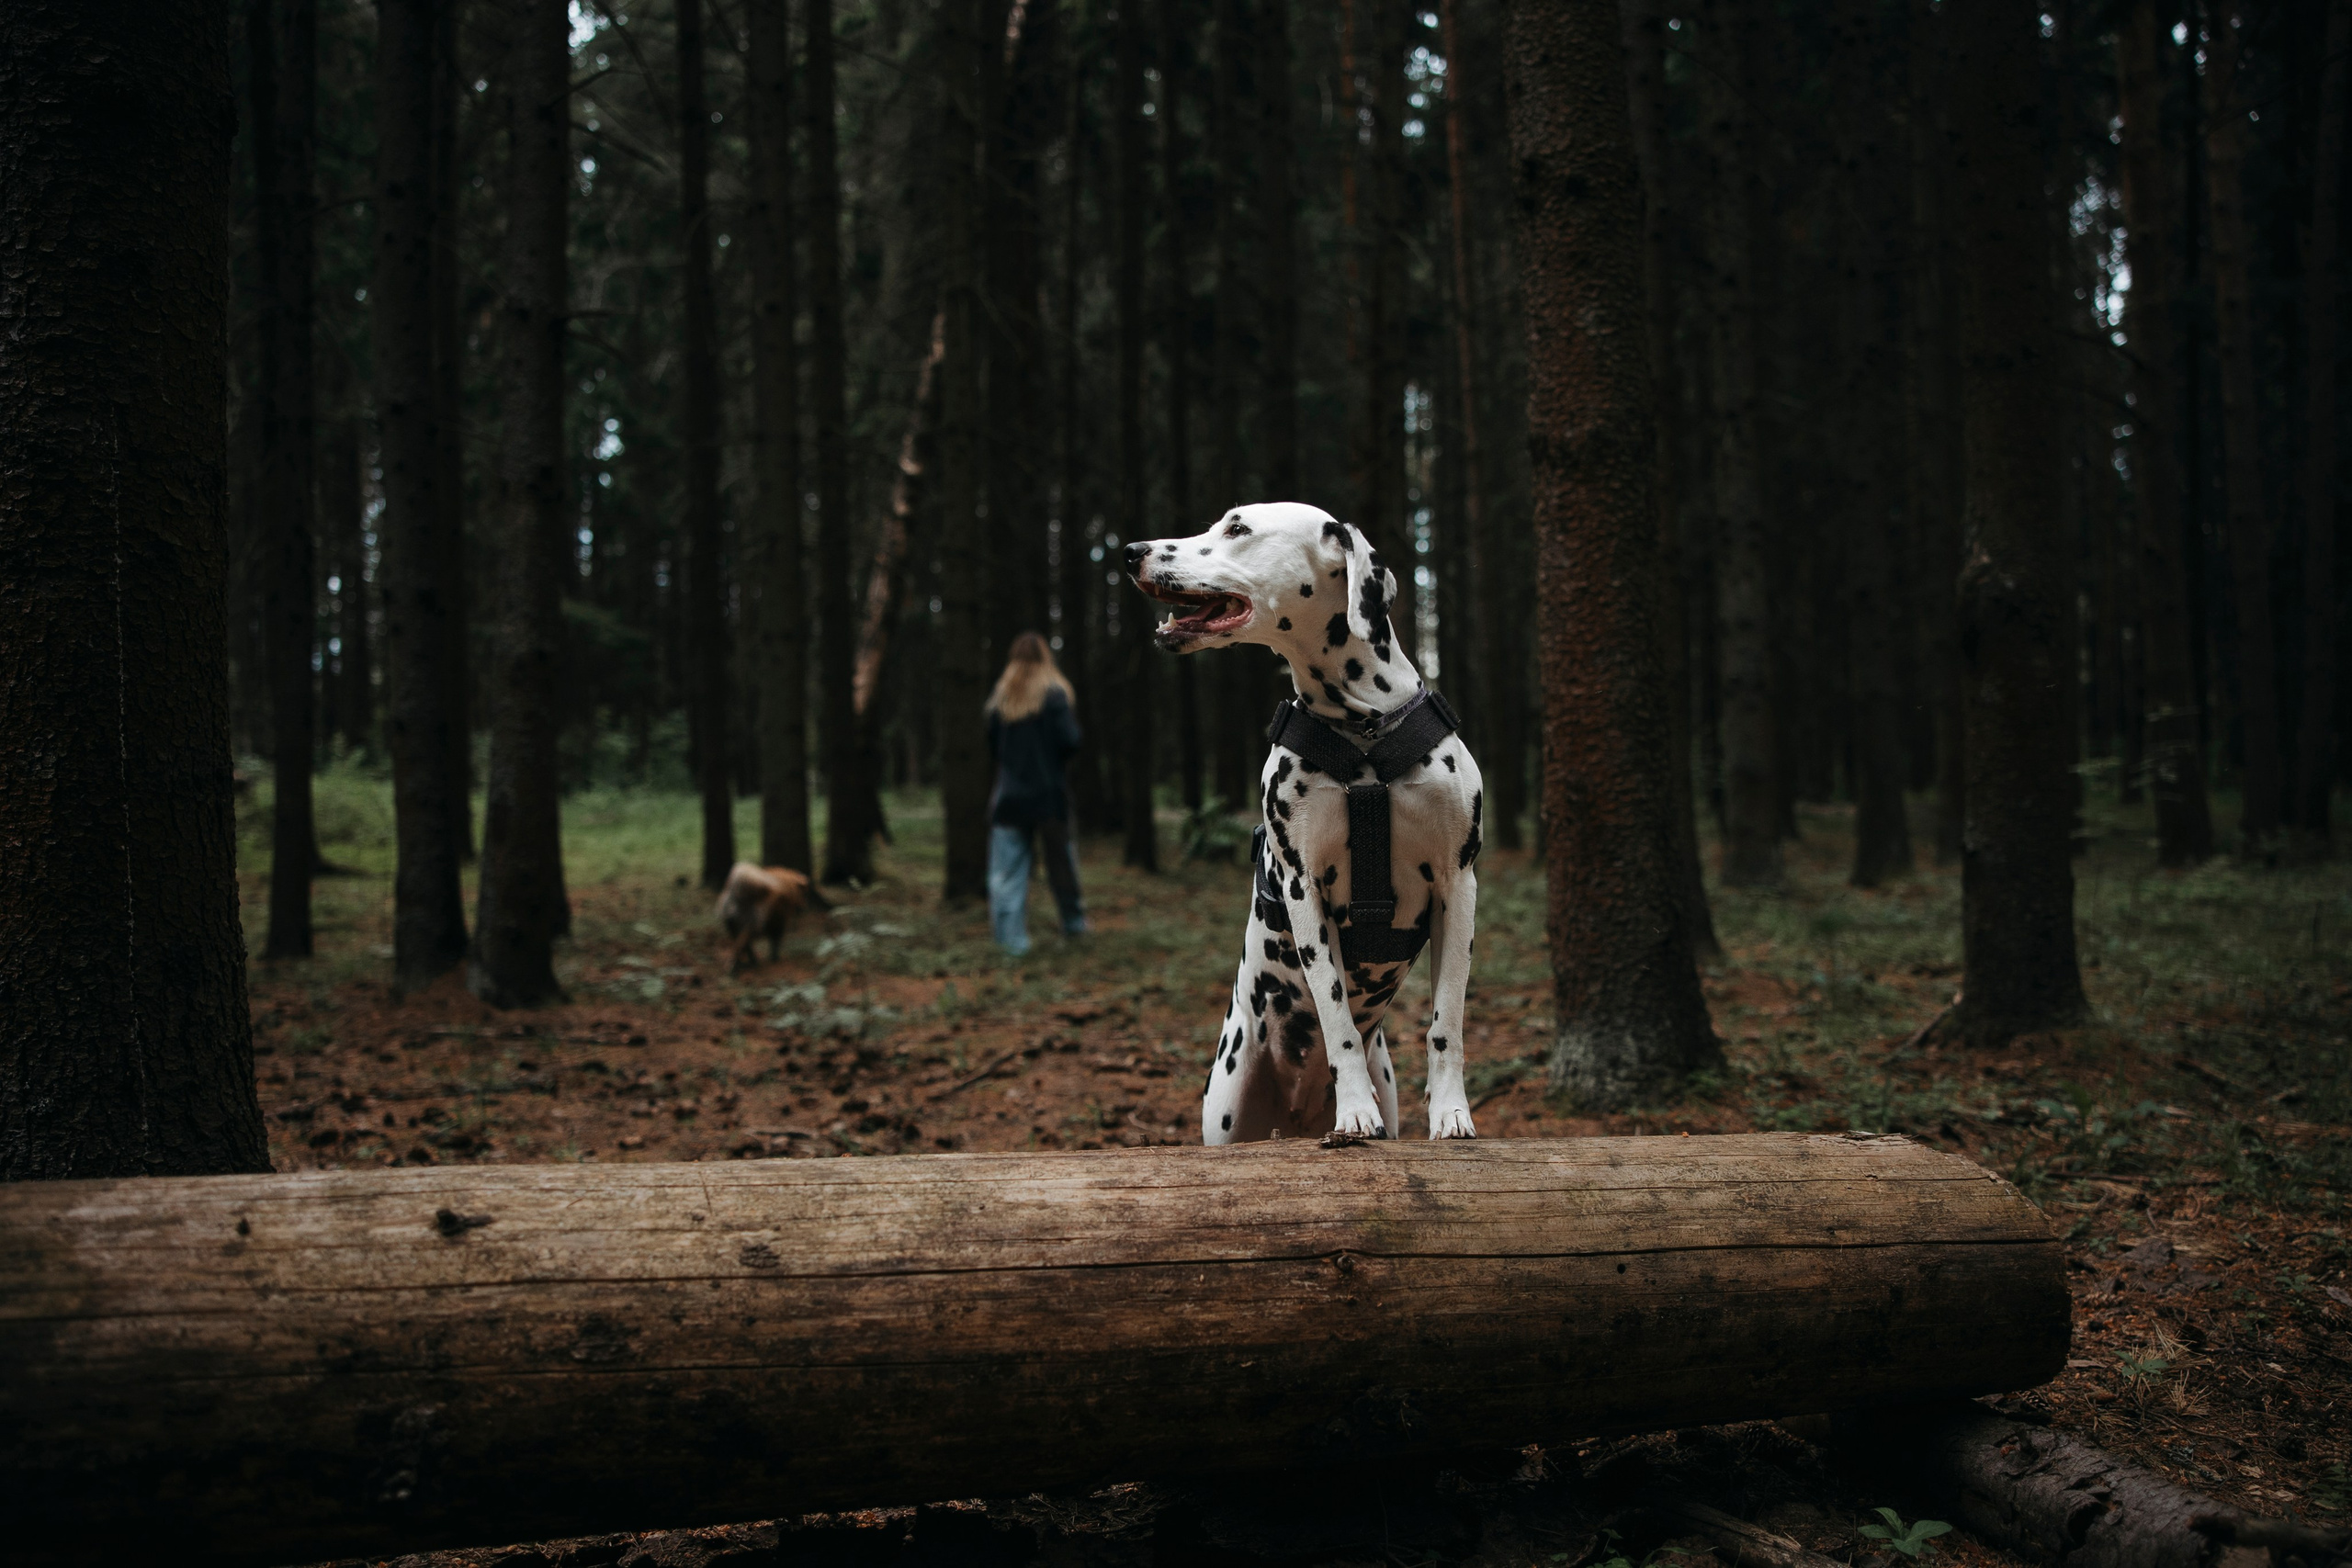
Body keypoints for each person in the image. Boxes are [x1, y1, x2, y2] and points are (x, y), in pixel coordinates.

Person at [984, 632, 1089, 955]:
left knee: (1007, 874)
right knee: (1062, 866)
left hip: (1009, 799)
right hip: (1049, 797)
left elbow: (992, 747)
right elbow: (1071, 740)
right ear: (1046, 657)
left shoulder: (1001, 699)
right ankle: (1074, 925)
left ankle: (1011, 943)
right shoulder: (1055, 695)